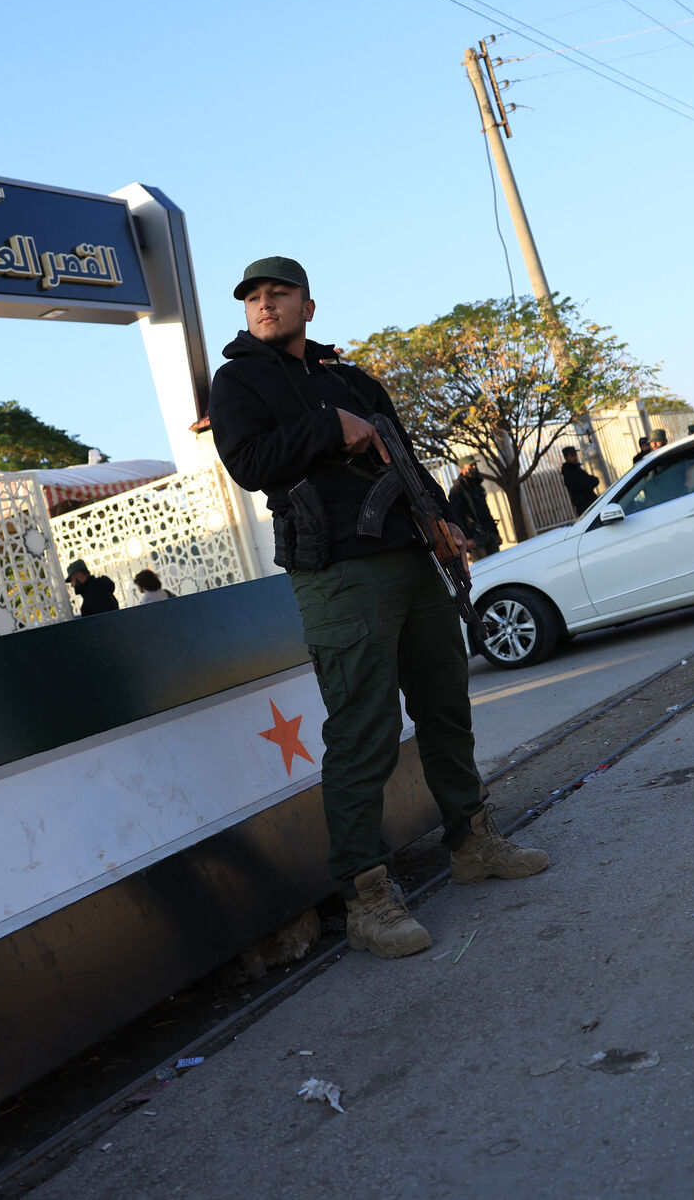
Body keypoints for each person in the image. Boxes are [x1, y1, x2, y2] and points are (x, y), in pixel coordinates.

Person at [208, 255, 548, 959]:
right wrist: (330, 428)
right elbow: (249, 463)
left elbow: (404, 460)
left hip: (408, 558)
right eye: (255, 297)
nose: (265, 305)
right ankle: (366, 894)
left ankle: (473, 842)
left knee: (446, 706)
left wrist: (444, 523)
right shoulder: (239, 379)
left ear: (308, 305)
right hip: (336, 572)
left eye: (279, 294)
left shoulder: (350, 378)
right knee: (362, 728)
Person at [447, 460, 501, 560]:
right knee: (485, 568)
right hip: (476, 538)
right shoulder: (457, 490)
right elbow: (457, 516)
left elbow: (486, 511)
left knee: (498, 563)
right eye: (471, 465)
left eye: (475, 465)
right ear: (462, 469)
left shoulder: (477, 486)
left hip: (489, 533)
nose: (474, 467)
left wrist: (496, 533)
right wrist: (467, 538)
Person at [560, 445, 600, 516]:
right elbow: (587, 483)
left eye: (575, 455)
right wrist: (592, 481)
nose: (575, 457)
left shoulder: (576, 469)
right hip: (585, 506)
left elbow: (592, 480)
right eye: (572, 455)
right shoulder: (569, 472)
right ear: (566, 458)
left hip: (590, 504)